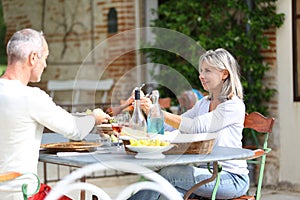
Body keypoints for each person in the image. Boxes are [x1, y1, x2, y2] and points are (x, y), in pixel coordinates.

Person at [0, 28, 110, 199]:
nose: (45, 64)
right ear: (33, 57)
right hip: (21, 193)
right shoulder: (31, 97)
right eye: (45, 57)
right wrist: (94, 117)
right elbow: (75, 129)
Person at [133, 48, 249, 199]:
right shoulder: (203, 104)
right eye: (201, 71)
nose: (201, 76)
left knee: (170, 174)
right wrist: (148, 111)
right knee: (166, 194)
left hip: (230, 178)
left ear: (224, 74)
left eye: (208, 71)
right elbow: (171, 126)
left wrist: (157, 112)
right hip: (206, 175)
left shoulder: (233, 106)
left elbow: (194, 126)